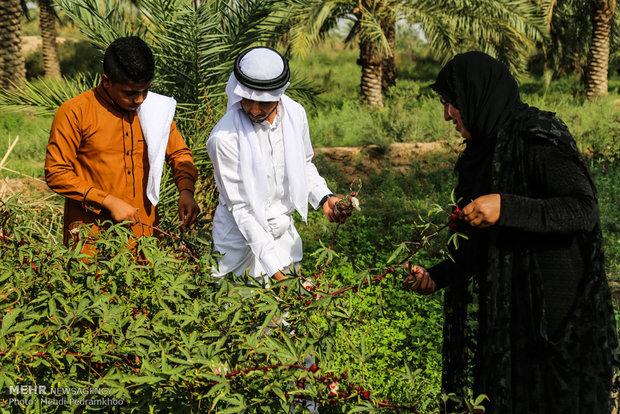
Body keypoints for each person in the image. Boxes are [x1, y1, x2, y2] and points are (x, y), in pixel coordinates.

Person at [405, 51, 618, 412]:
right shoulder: (482, 153)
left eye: (450, 104)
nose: (447, 116)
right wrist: (438, 276)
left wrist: (508, 207)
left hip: (555, 323)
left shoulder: (536, 137)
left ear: (475, 96)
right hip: (508, 318)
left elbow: (582, 209)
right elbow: (483, 243)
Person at [206, 46, 343, 285]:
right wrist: (275, 271)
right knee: (239, 313)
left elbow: (304, 163)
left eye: (263, 102)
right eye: (248, 100)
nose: (254, 109)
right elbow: (242, 210)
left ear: (279, 95)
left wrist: (324, 196)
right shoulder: (224, 139)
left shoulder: (295, 114)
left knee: (284, 319)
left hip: (283, 236)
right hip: (238, 243)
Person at [45, 36, 199, 246]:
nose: (140, 99)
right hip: (91, 240)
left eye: (145, 90)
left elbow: (179, 154)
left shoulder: (155, 110)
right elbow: (56, 172)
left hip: (145, 237)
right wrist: (106, 201)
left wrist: (186, 191)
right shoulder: (75, 112)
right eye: (130, 93)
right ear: (106, 81)